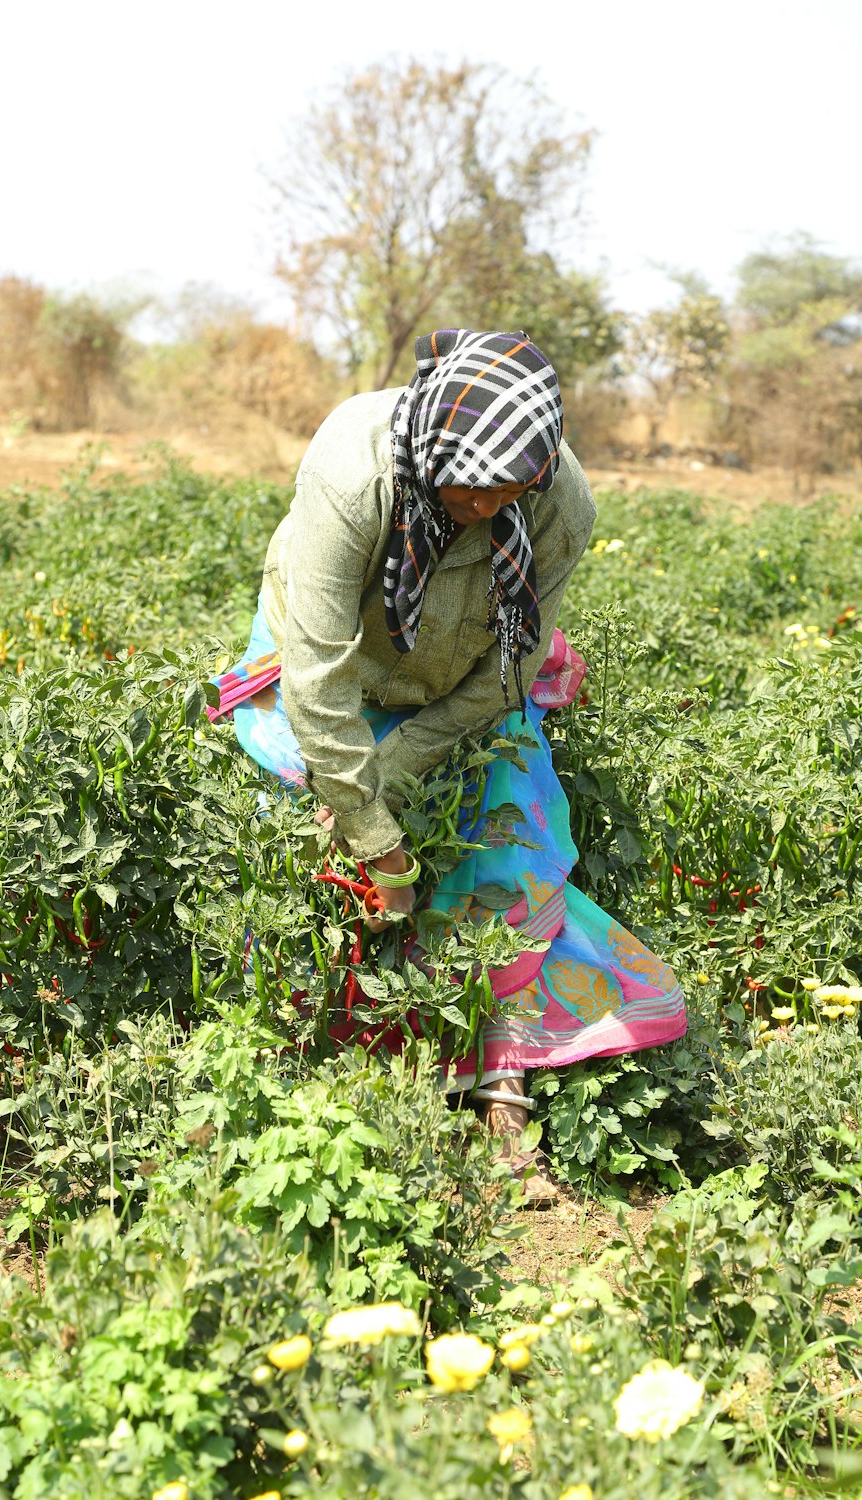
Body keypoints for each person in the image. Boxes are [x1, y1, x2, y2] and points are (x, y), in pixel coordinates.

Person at [212, 328, 686, 1205]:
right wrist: (376, 835)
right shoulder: (355, 471)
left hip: (464, 674)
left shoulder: (556, 502)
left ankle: (501, 1094)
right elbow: (318, 677)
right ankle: (294, 1055)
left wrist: (403, 764)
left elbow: (508, 673)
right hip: (337, 660)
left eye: (508, 491)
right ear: (434, 453)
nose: (484, 504)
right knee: (302, 812)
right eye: (471, 486)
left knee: (506, 828)